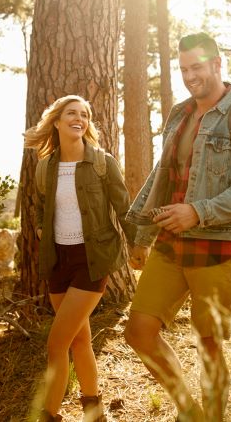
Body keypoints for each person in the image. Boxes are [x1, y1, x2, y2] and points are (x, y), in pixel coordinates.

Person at [124, 33, 231, 421]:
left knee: (208, 346)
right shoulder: (180, 113)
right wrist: (143, 235)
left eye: (198, 67)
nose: (191, 76)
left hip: (219, 245)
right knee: (139, 330)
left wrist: (199, 211)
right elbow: (163, 175)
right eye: (184, 69)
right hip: (171, 242)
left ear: (217, 63)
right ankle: (191, 412)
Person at [25, 94, 136, 422]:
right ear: (56, 121)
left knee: (56, 344)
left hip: (93, 259)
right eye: (72, 113)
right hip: (59, 261)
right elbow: (41, 208)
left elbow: (123, 207)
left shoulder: (102, 162)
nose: (80, 118)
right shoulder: (46, 166)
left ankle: (49, 415)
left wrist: (138, 247)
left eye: (84, 115)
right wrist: (43, 230)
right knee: (79, 339)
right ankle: (94, 411)